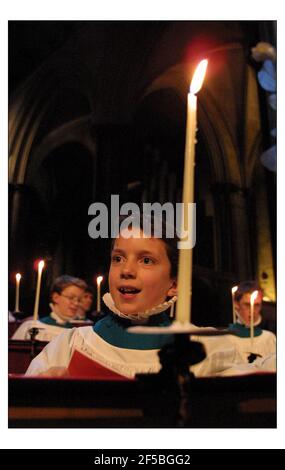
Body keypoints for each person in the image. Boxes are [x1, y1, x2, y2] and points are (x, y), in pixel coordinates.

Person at [25, 216, 275, 378]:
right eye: (118, 258)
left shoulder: (205, 349)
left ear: (174, 284)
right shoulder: (70, 345)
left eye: (146, 260)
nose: (126, 270)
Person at [12, 275, 87, 342]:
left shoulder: (77, 334)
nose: (76, 303)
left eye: (79, 300)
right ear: (56, 297)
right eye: (71, 298)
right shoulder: (31, 327)